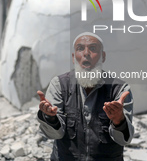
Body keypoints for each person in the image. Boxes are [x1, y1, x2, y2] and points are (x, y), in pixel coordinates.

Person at [36, 32, 134, 161]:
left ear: (103, 56)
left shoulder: (119, 89)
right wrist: (51, 117)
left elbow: (124, 140)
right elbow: (54, 134)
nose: (86, 53)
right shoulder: (59, 84)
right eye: (80, 49)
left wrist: (119, 121)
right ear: (73, 57)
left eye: (93, 48)